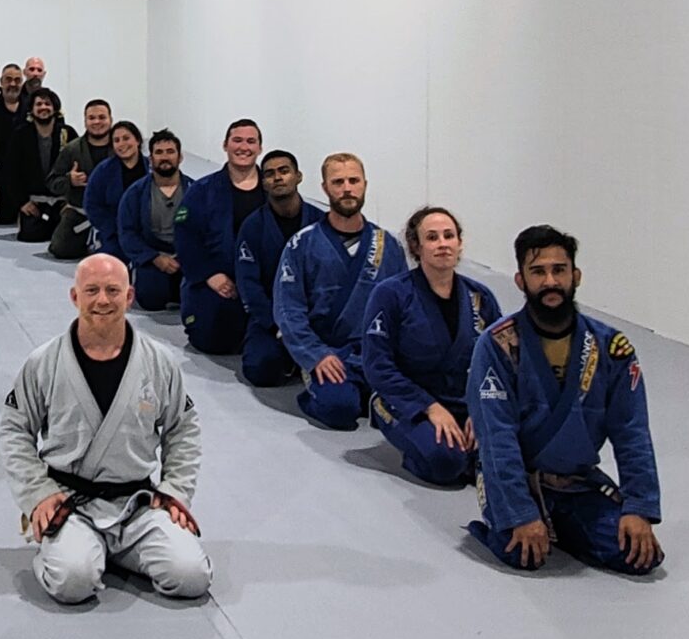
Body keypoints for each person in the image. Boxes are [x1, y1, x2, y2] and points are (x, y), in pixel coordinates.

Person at [0, 255, 209, 605]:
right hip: (70, 502)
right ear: (74, 296)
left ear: (129, 296)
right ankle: (68, 548)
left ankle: (99, 550)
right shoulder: (44, 362)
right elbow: (15, 430)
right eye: (91, 290)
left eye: (113, 290)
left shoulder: (159, 361)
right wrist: (37, 493)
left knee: (191, 576)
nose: (102, 300)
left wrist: (175, 490)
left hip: (137, 504)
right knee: (72, 583)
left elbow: (183, 429)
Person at [466, 225, 664, 575]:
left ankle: (560, 523)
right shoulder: (497, 345)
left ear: (576, 276)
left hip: (575, 482)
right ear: (520, 281)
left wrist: (639, 506)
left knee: (637, 557)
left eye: (559, 270)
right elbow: (496, 437)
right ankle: (505, 521)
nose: (550, 282)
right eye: (538, 272)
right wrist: (520, 513)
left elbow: (631, 431)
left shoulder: (610, 347)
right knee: (524, 555)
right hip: (516, 479)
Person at [360, 208, 504, 487]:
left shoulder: (480, 297)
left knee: (513, 452)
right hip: (406, 404)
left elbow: (498, 362)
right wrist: (428, 407)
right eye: (432, 237)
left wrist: (481, 409)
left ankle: (470, 455)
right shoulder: (391, 294)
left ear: (459, 243)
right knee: (445, 460)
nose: (442, 244)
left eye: (449, 236)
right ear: (416, 246)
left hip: (464, 403)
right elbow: (377, 365)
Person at [273, 153, 410, 431]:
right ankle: (322, 390)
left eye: (353, 181)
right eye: (338, 182)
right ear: (325, 188)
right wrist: (315, 355)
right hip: (331, 353)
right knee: (339, 409)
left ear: (365, 185)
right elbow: (288, 310)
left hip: (376, 354)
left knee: (410, 407)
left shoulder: (389, 246)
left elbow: (405, 308)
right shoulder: (302, 244)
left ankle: (369, 393)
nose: (347, 188)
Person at [176, 119, 267, 358]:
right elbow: (186, 238)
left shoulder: (273, 192)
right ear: (225, 145)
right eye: (237, 140)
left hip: (262, 282)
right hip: (217, 279)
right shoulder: (201, 191)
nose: (243, 147)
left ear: (260, 148)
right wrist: (210, 275)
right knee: (213, 338)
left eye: (251, 141)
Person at [233, 150, 324, 387]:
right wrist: (278, 325)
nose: (277, 178)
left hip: (315, 319)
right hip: (271, 319)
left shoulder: (321, 223)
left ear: (298, 176)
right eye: (270, 174)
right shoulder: (252, 226)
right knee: (260, 369)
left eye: (284, 171)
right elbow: (248, 284)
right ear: (263, 183)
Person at [118, 131, 193, 312]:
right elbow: (127, 233)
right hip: (153, 256)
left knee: (196, 299)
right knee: (151, 300)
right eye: (159, 152)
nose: (165, 157)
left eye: (170, 151)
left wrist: (188, 256)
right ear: (151, 159)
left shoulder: (196, 190)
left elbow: (207, 231)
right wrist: (154, 258)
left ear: (180, 157)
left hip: (188, 257)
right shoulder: (135, 193)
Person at [47, 99, 116, 260]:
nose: (97, 122)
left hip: (113, 214)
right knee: (60, 249)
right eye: (92, 118)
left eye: (102, 117)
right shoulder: (71, 149)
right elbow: (52, 182)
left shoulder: (120, 149)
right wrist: (69, 180)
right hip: (80, 212)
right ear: (85, 121)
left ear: (111, 119)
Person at [7, 88, 78, 244]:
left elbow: (79, 167)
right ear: (31, 109)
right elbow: (11, 172)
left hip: (62, 201)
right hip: (35, 202)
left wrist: (72, 202)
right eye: (38, 104)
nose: (43, 107)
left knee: (67, 237)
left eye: (47, 104)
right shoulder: (20, 135)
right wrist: (22, 203)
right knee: (31, 236)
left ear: (55, 108)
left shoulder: (68, 133)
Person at [82, 121, 146, 266]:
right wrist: (114, 228)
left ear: (137, 140)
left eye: (126, 138)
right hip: (114, 233)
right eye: (116, 140)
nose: (122, 144)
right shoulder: (103, 171)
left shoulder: (151, 169)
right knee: (108, 265)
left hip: (146, 233)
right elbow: (91, 205)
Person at [0, 62, 30, 223]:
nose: (13, 84)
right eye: (8, 79)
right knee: (6, 218)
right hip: (4, 168)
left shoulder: (30, 107)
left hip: (29, 168)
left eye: (17, 80)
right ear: (1, 82)